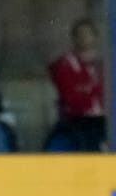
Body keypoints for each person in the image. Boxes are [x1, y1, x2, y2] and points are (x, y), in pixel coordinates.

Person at [44, 19, 106, 151]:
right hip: (76, 122)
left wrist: (88, 89)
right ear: (74, 38)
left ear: (95, 37)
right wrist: (94, 90)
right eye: (80, 35)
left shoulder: (105, 64)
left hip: (103, 121)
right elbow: (71, 97)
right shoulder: (65, 65)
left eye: (89, 34)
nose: (85, 39)